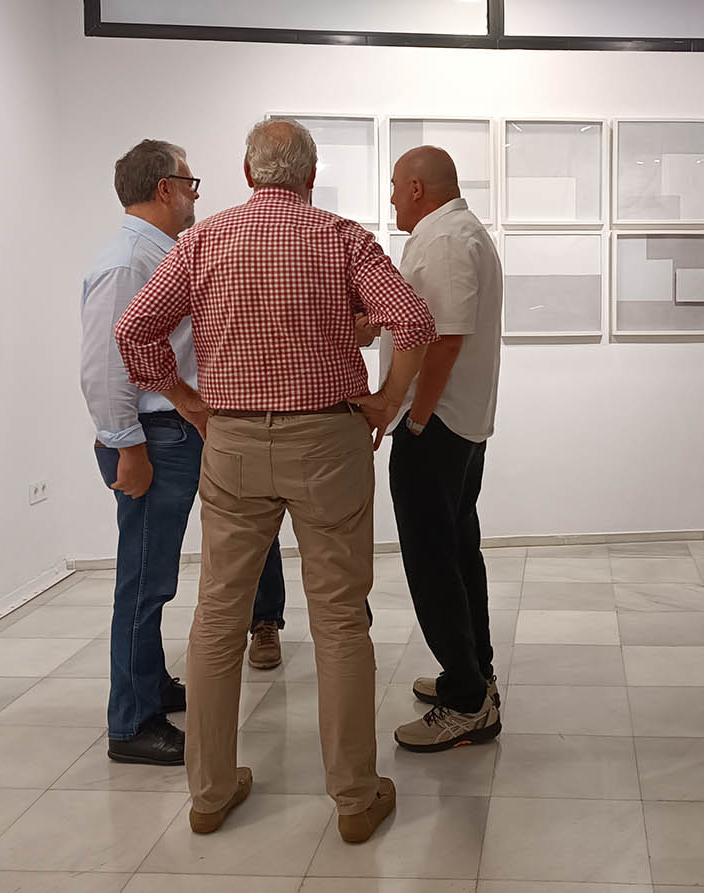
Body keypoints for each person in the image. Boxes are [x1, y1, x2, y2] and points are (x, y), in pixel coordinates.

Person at [114, 118, 436, 840]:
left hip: (230, 442)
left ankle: (209, 792)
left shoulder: (202, 240)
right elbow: (413, 322)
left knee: (218, 615)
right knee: (340, 617)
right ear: (311, 176)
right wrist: (388, 399)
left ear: (247, 173)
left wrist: (187, 400)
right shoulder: (342, 238)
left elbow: (134, 329)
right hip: (327, 441)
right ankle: (354, 797)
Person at [80, 139, 288, 767]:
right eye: (191, 184)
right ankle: (131, 723)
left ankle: (152, 685)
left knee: (157, 579)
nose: (197, 195)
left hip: (174, 431)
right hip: (152, 437)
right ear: (165, 188)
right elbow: (104, 368)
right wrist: (128, 448)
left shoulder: (161, 253)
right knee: (144, 583)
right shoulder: (126, 263)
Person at [380, 146, 504, 752]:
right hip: (456, 425)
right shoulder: (452, 233)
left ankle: (467, 703)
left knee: (434, 563)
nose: (392, 199)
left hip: (439, 427)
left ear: (418, 188)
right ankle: (472, 676)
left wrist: (418, 418)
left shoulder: (448, 239)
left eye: (396, 187)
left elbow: (447, 339)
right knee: (456, 553)